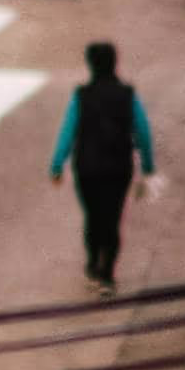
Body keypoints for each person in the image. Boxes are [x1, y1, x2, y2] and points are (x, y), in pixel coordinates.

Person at [49, 39, 156, 293]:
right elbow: (142, 132)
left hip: (86, 168)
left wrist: (56, 165)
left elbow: (68, 132)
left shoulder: (81, 96)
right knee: (112, 219)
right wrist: (148, 166)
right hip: (118, 168)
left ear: (90, 64)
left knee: (93, 217)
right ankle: (107, 273)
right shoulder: (128, 95)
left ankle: (93, 264)